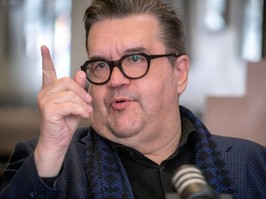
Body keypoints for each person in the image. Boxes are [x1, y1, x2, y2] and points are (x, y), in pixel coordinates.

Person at [1, 0, 266, 198]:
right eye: (101, 65)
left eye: (136, 59)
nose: (115, 80)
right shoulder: (50, 162)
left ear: (180, 73)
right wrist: (51, 150)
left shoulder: (251, 163)